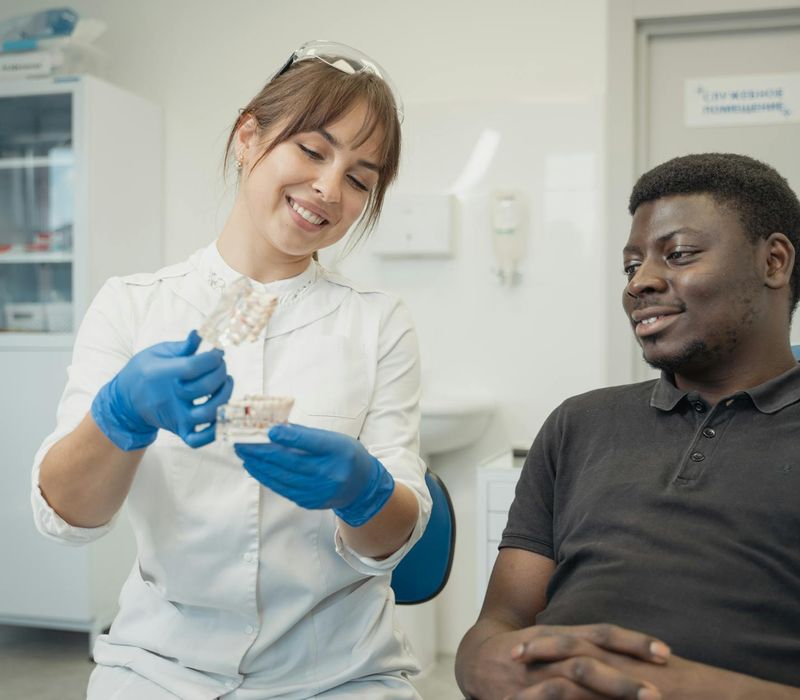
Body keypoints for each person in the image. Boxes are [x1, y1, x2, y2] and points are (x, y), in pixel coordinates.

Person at [31, 40, 431, 700]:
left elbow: (390, 541)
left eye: (361, 178)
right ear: (249, 136)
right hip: (158, 669)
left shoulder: (378, 322)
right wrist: (118, 414)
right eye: (312, 149)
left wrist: (366, 490)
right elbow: (66, 519)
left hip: (340, 674)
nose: (330, 188)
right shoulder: (134, 304)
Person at [456, 153, 800, 699]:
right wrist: (488, 666)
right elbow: (498, 621)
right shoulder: (579, 424)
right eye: (631, 265)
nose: (640, 283)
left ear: (774, 262)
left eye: (679, 254)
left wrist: (660, 686)